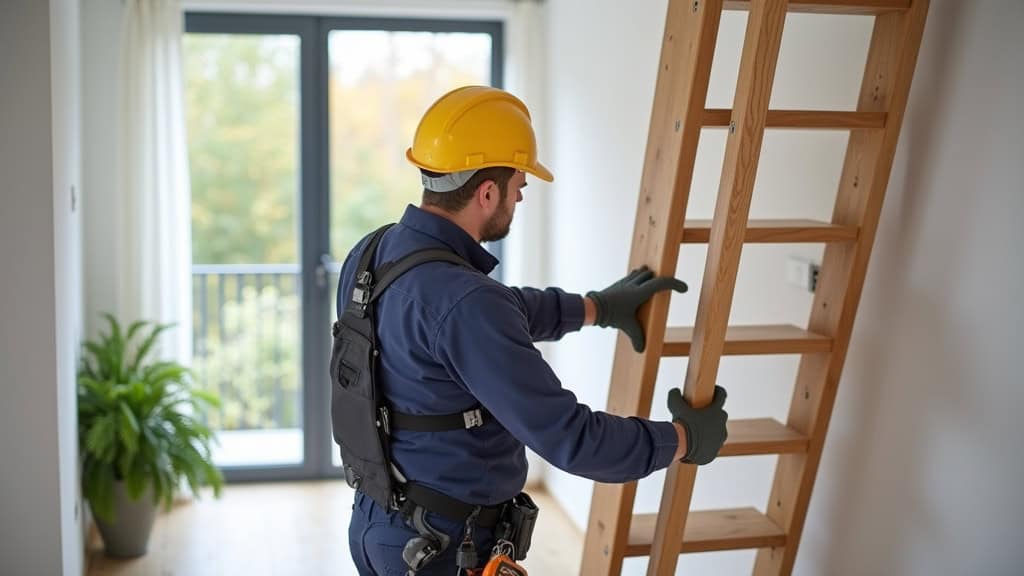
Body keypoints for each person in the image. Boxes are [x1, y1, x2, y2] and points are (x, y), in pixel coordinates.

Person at [336, 86, 728, 576]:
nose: (521, 194)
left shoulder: (371, 255)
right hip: (444, 549)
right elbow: (574, 440)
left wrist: (595, 308)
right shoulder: (466, 301)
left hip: (380, 527)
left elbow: (496, 312)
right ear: (486, 192)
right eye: (519, 183)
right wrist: (684, 438)